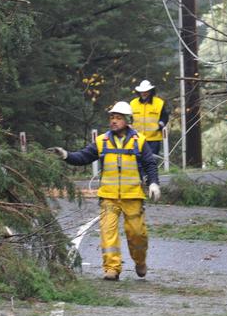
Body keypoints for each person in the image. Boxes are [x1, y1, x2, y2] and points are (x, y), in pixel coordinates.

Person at [49, 101, 160, 281]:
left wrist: (154, 183)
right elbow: (83, 157)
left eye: (118, 118)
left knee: (137, 234)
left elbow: (149, 164)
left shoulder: (139, 141)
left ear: (127, 120)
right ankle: (112, 268)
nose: (114, 121)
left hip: (133, 196)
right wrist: (66, 155)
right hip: (108, 197)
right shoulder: (102, 141)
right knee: (108, 232)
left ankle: (140, 262)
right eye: (112, 118)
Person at [130, 80, 169, 156]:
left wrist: (160, 125)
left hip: (154, 139)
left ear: (151, 91)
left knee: (152, 162)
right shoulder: (133, 103)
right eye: (142, 91)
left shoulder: (159, 103)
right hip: (137, 138)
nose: (144, 93)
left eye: (146, 91)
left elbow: (165, 116)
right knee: (138, 162)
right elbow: (129, 118)